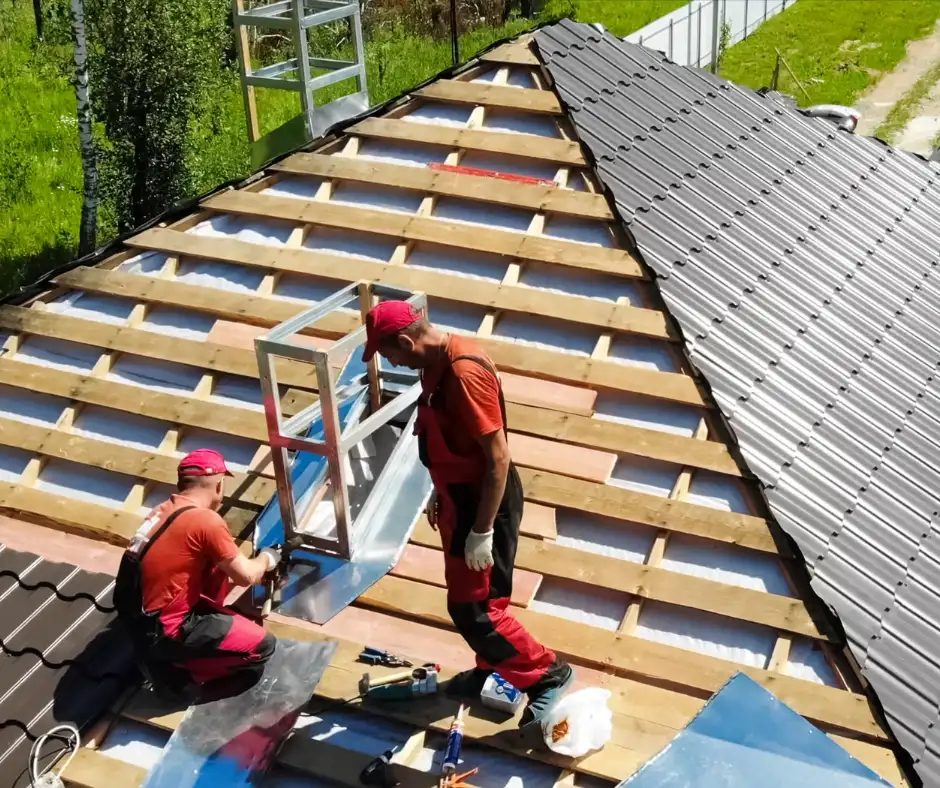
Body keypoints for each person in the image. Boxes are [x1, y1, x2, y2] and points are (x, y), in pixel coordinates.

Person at [361, 300, 573, 726]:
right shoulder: (435, 361)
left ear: (406, 340)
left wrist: (482, 530)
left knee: (476, 609)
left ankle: (546, 674)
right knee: (478, 599)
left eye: (390, 355)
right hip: (460, 497)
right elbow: (447, 437)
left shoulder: (463, 373)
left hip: (483, 503)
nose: (392, 363)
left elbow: (497, 459)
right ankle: (491, 668)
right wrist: (441, 490)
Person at [116, 448, 283, 699]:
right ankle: (181, 678)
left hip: (142, 625)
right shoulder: (206, 520)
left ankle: (170, 657)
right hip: (170, 632)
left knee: (216, 566)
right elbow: (245, 576)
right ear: (219, 485)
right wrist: (268, 558)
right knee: (263, 648)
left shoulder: (161, 511)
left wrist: (256, 572)